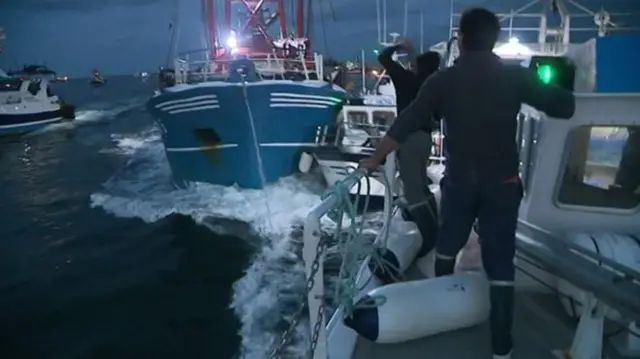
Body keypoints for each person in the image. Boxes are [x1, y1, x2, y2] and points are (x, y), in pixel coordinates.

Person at [359, 7, 575, 359]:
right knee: (501, 264)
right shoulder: (514, 77)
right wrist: (557, 84)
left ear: (460, 39)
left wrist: (375, 158)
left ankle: (444, 313)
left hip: (460, 183)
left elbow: (406, 123)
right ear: (494, 41)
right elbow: (565, 108)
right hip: (503, 184)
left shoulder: (442, 81)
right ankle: (502, 349)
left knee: (447, 247)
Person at [377, 39, 442, 258]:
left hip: (409, 139)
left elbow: (383, 58)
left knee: (413, 192)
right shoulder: (432, 83)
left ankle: (431, 240)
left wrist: (397, 48)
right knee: (421, 185)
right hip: (425, 139)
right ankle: (434, 228)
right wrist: (412, 53)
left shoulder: (404, 78)